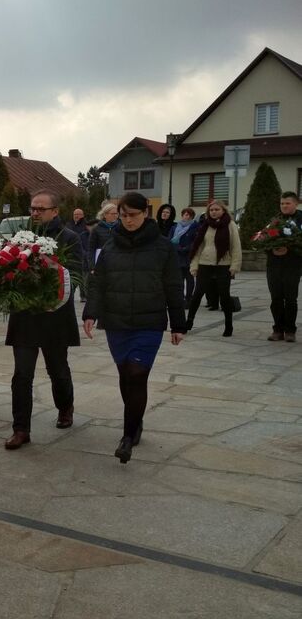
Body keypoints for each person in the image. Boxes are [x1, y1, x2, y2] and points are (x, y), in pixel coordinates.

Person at [83, 192, 187, 463]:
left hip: (148, 322)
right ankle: (136, 419)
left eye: (134, 215)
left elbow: (174, 287)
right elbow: (98, 283)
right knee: (125, 375)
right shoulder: (109, 246)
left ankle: (127, 437)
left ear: (146, 214)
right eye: (123, 215)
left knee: (137, 374)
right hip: (117, 321)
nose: (128, 220)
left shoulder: (163, 247)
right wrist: (90, 313)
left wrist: (178, 324)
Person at [5, 190, 83, 450]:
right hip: (25, 315)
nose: (35, 213)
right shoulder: (20, 237)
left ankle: (65, 406)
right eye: (32, 208)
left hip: (54, 315)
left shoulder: (69, 238)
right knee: (22, 375)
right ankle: (21, 429)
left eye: (41, 209)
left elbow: (75, 274)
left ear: (55, 211)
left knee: (57, 370)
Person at [185, 199, 242, 337]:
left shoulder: (230, 224)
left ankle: (229, 325)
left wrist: (235, 266)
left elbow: (236, 246)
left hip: (223, 265)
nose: (214, 212)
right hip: (205, 264)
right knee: (197, 294)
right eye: (211, 210)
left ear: (223, 210)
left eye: (217, 209)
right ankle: (189, 322)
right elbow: (198, 246)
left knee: (224, 296)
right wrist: (194, 265)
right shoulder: (205, 225)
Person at [265, 192, 302, 342]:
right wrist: (272, 249)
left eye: (287, 203)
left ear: (296, 204)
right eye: (282, 203)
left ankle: (290, 330)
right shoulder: (274, 221)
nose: (284, 206)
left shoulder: (300, 220)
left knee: (291, 298)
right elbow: (264, 239)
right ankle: (278, 329)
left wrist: (290, 249)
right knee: (276, 298)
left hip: (293, 265)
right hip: (274, 265)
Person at [171, 208, 199, 302]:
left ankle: (188, 298)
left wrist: (186, 248)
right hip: (177, 256)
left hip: (189, 256)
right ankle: (180, 298)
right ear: (182, 215)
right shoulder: (175, 227)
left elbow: (196, 241)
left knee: (190, 279)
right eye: (185, 214)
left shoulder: (195, 227)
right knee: (179, 280)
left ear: (192, 216)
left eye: (189, 215)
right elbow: (170, 240)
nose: (186, 216)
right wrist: (178, 248)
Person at [67, 208, 91, 302]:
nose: (76, 216)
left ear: (83, 215)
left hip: (82, 253)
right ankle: (70, 294)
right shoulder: (69, 225)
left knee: (82, 276)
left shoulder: (86, 226)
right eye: (75, 214)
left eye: (78, 214)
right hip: (71, 254)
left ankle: (83, 295)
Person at [87, 201, 118, 270]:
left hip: (117, 264)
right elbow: (91, 249)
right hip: (101, 265)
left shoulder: (121, 228)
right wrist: (92, 267)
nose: (115, 216)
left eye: (116, 214)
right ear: (105, 215)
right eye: (113, 214)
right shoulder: (96, 229)